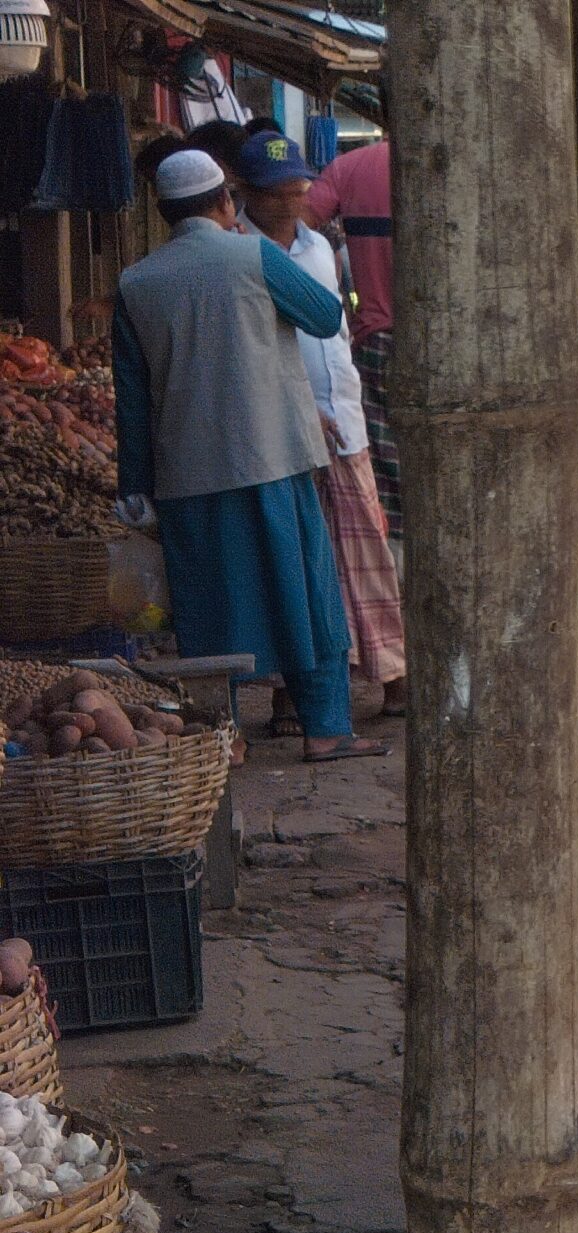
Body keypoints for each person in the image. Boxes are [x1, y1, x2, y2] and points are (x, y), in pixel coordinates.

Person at [112, 150, 385, 764]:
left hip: (185, 474)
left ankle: (223, 738)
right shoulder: (254, 256)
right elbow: (324, 315)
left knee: (210, 607)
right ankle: (324, 728)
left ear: (163, 213)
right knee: (306, 599)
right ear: (224, 204)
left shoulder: (135, 284)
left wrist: (135, 490)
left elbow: (130, 403)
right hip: (275, 458)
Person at [236, 133, 409, 721]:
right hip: (284, 432)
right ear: (246, 193)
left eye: (297, 189)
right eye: (277, 192)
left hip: (346, 420)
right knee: (298, 564)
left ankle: (392, 676)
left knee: (367, 554)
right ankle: (293, 695)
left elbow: (331, 330)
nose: (291, 200)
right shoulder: (238, 254)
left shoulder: (319, 250)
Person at [306, 139, 400, 537]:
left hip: (379, 338)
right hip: (459, 342)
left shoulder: (350, 167)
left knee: (386, 468)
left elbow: (296, 225)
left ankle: (395, 564)